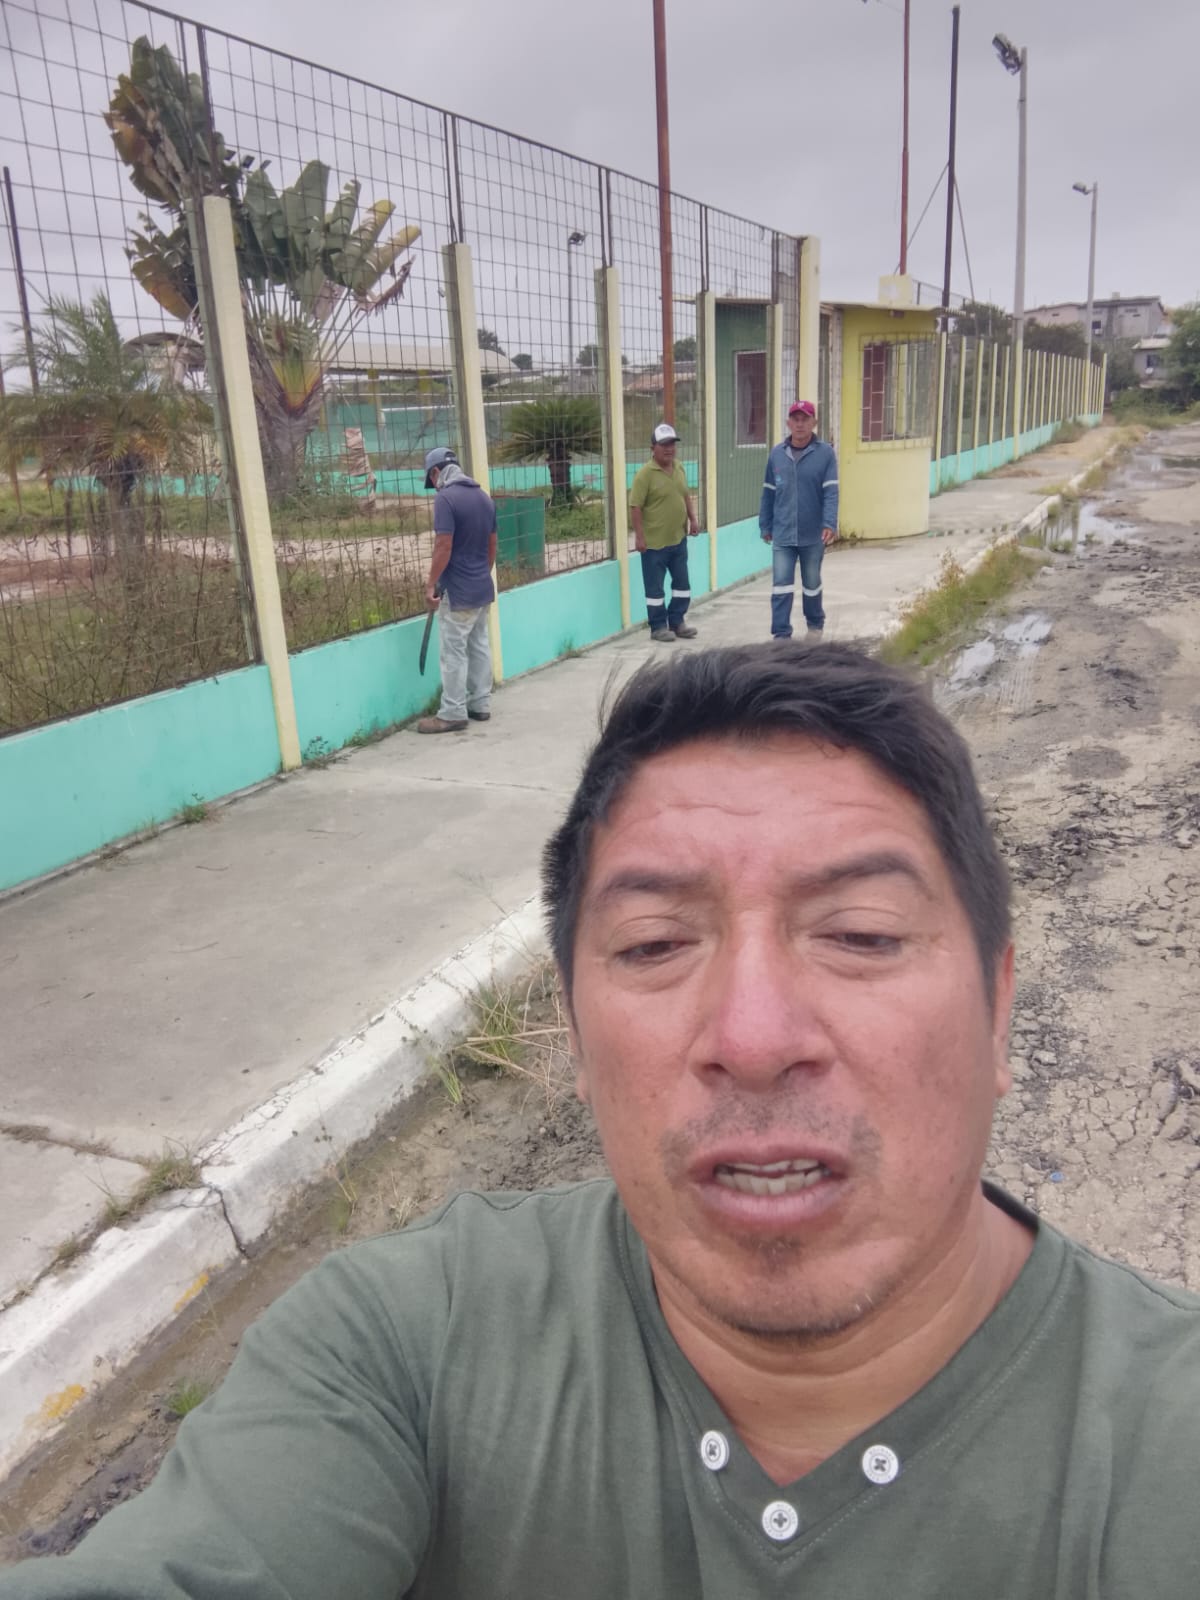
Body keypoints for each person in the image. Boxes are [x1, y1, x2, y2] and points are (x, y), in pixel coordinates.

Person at [7, 644, 1200, 1599]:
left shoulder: (1162, 1447)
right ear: (576, 1039)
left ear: (998, 1006)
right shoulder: (411, 1350)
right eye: (654, 944)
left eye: (860, 934)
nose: (753, 1034)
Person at [416, 446, 497, 734]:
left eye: (432, 478)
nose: (434, 485)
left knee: (453, 652)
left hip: (458, 591)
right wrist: (480, 574)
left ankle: (452, 713)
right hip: (481, 588)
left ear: (437, 472)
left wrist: (431, 584)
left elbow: (443, 545)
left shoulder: (446, 498)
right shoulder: (484, 498)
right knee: (479, 645)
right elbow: (492, 545)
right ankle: (480, 704)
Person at [760, 400, 839, 639]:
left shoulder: (825, 454)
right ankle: (781, 634)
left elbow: (831, 491)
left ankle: (815, 625)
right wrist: (765, 524)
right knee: (781, 585)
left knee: (812, 583)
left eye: (805, 419)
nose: (800, 424)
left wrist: (829, 522)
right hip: (783, 533)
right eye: (796, 419)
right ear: (788, 423)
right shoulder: (777, 454)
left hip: (812, 534)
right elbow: (768, 492)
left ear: (814, 423)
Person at [629, 421, 700, 643]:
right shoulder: (645, 475)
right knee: (655, 590)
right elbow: (635, 506)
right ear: (653, 448)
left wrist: (693, 519)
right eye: (664, 445)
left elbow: (685, 495)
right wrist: (639, 537)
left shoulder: (679, 468)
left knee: (682, 585)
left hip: (678, 540)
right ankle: (658, 627)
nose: (669, 449)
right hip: (654, 545)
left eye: (672, 444)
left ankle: (677, 622)